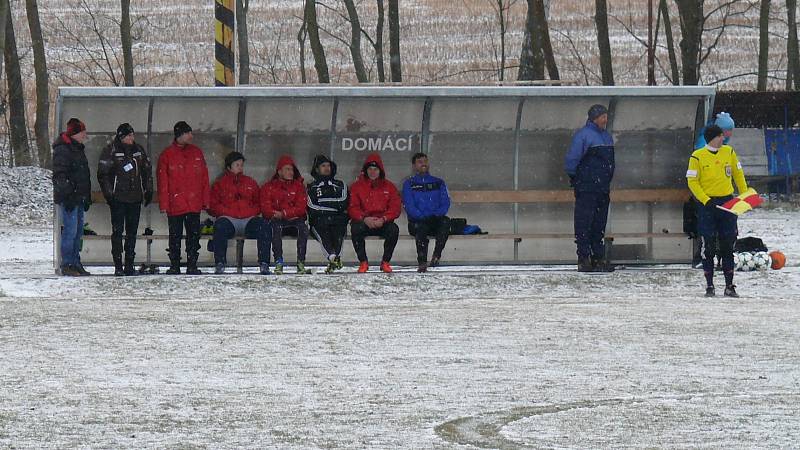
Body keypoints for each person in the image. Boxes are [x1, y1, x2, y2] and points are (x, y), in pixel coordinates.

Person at [686, 124, 749, 298]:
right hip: (708, 205)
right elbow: (692, 182)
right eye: (720, 136)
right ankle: (709, 286)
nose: (723, 138)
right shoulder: (697, 157)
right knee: (709, 246)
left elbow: (738, 174)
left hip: (727, 203)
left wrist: (744, 195)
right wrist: (705, 200)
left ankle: (730, 285)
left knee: (728, 243)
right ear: (712, 138)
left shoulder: (729, 152)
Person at [564, 104, 615, 272]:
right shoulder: (584, 136)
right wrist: (576, 178)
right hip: (587, 188)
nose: (605, 119)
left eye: (606, 116)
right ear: (594, 118)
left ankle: (597, 258)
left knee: (599, 224)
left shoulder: (606, 136)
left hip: (602, 188)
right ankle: (584, 258)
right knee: (585, 223)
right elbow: (572, 159)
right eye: (602, 116)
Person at [97, 123, 153, 276]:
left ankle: (129, 264)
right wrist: (110, 195)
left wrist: (148, 190)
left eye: (132, 135)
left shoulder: (138, 150)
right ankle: (118, 265)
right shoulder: (111, 151)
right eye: (128, 136)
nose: (131, 138)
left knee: (132, 233)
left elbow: (147, 171)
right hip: (118, 199)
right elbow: (103, 174)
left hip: (134, 198)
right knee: (117, 232)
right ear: (121, 136)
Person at [157, 121, 210, 275]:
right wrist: (164, 204)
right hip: (177, 203)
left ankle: (191, 264)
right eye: (188, 133)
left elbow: (204, 179)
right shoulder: (167, 155)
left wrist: (205, 201)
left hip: (190, 203)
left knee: (193, 236)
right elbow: (163, 182)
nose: (191, 136)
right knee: (176, 236)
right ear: (180, 134)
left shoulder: (196, 153)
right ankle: (175, 264)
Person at [209, 151, 272, 275]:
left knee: (264, 226)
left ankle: (264, 263)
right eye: (237, 165)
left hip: (248, 219)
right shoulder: (220, 184)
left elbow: (259, 202)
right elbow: (212, 205)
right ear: (229, 167)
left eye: (241, 165)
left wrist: (250, 212)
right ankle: (220, 263)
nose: (240, 167)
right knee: (220, 227)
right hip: (228, 219)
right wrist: (226, 212)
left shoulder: (250, 182)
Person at [691, 112, 736, 269]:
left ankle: (723, 258)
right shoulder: (703, 147)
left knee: (726, 233)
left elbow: (735, 172)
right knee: (708, 233)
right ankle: (703, 258)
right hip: (707, 197)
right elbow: (696, 177)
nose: (729, 134)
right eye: (728, 130)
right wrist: (705, 198)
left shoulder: (727, 149)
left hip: (724, 197)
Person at [348, 152, 402, 273]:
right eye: (370, 169)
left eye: (375, 169)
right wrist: (364, 218)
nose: (372, 172)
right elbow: (352, 207)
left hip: (383, 222)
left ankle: (385, 262)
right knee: (356, 229)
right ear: (365, 170)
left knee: (394, 229)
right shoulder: (357, 187)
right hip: (364, 222)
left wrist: (384, 219)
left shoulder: (389, 186)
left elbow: (395, 208)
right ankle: (363, 262)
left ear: (380, 171)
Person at [53, 118, 92, 277]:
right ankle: (67, 263)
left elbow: (82, 175)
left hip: (78, 197)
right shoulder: (64, 150)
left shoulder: (76, 148)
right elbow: (60, 175)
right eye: (83, 132)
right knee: (70, 231)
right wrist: (68, 193)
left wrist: (85, 195)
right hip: (70, 198)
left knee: (77, 232)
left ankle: (75, 262)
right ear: (75, 133)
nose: (85, 135)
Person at [261, 154, 311, 275]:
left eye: (292, 169)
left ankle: (301, 262)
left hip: (294, 220)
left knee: (303, 229)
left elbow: (301, 207)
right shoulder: (269, 187)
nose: (291, 172)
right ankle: (279, 261)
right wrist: (275, 214)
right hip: (276, 220)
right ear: (279, 172)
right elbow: (265, 207)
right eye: (287, 169)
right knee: (275, 228)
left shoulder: (298, 186)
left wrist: (284, 213)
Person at [402, 152, 451, 272]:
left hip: (435, 220)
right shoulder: (409, 184)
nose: (423, 164)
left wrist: (436, 215)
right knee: (421, 228)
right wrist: (422, 216)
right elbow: (409, 205)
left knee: (446, 222)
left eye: (425, 161)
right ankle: (422, 262)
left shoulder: (439, 182)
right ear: (414, 166)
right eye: (420, 162)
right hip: (417, 221)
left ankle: (436, 256)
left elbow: (446, 202)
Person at [307, 154, 349, 274]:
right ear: (317, 169)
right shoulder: (312, 187)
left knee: (338, 231)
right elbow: (311, 206)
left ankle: (334, 259)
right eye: (323, 166)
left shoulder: (340, 185)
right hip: (319, 221)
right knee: (323, 231)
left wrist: (323, 205)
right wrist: (332, 207)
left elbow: (343, 202)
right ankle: (333, 258)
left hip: (337, 220)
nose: (327, 168)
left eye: (328, 165)